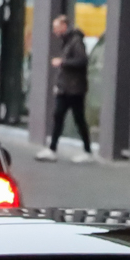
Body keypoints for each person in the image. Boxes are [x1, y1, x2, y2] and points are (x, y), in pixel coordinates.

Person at [39, 15, 93, 163]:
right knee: (59, 116)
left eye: (56, 27)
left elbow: (82, 61)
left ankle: (87, 150)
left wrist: (62, 62)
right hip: (66, 88)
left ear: (64, 26)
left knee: (77, 118)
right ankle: (52, 148)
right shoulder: (68, 41)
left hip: (74, 89)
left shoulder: (75, 41)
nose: (54, 31)